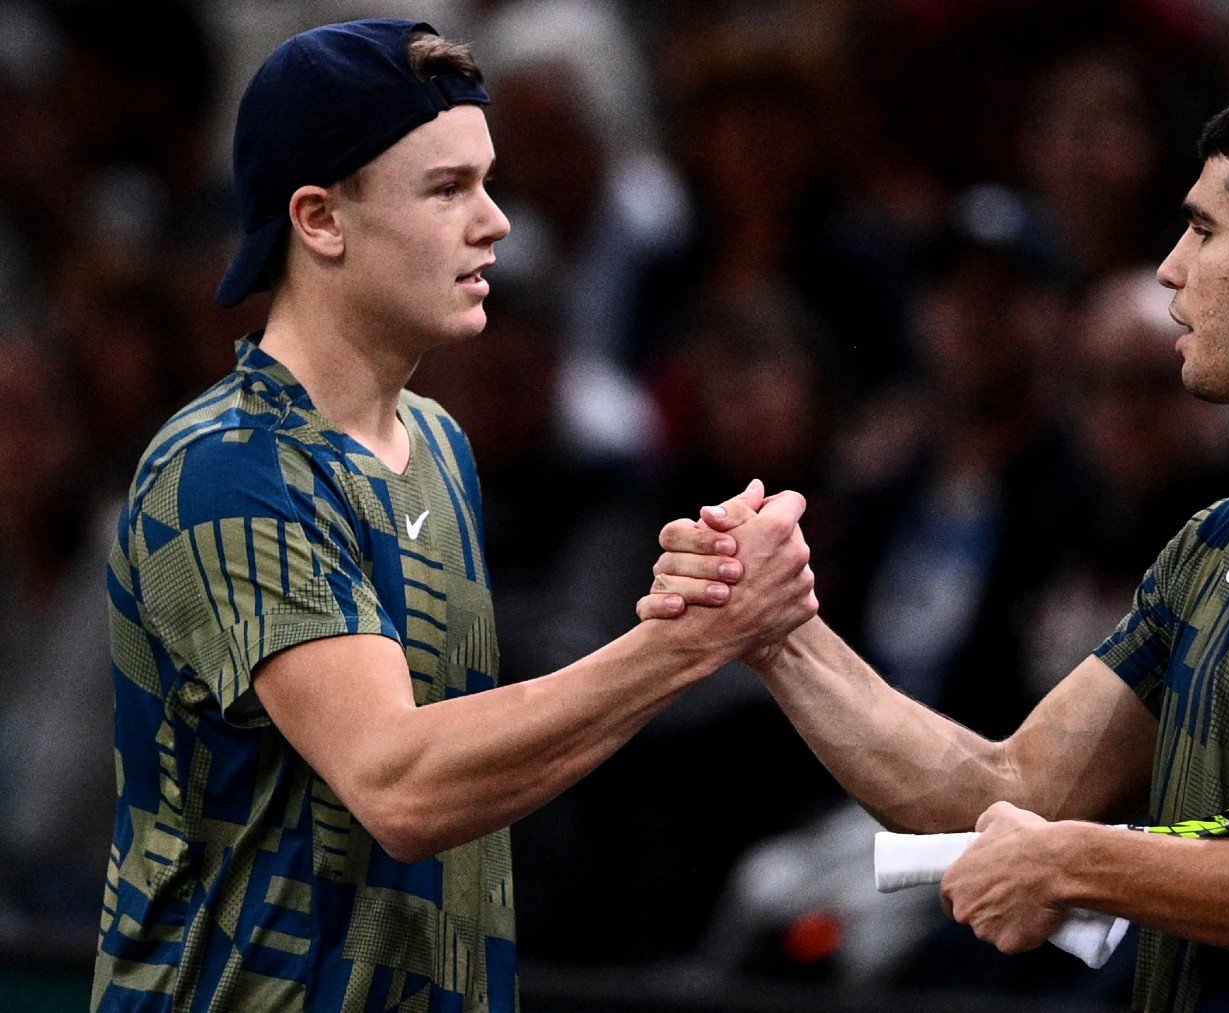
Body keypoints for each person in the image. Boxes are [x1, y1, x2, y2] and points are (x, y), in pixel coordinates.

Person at [645, 73, 1229, 1011]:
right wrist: (778, 630)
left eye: (1204, 230)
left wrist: (1084, 860)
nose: (1169, 268)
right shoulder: (1217, 538)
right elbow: (1006, 788)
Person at [92, 20, 816, 1011]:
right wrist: (683, 645)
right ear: (320, 220)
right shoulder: (228, 470)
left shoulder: (437, 443)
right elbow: (401, 786)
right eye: (446, 189)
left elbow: (478, 775)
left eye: (487, 181)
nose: (497, 221)